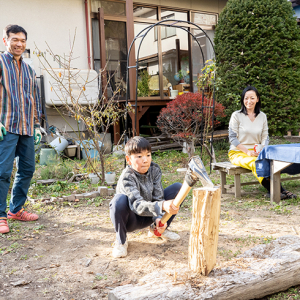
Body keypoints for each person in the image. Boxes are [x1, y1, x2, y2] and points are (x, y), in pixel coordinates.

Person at [109, 136, 182, 258]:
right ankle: (121, 241)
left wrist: (159, 218)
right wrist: (162, 206)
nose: (145, 160)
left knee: (178, 189)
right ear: (128, 159)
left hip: (149, 216)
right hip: (131, 220)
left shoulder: (154, 169)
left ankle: (157, 230)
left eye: (148, 155)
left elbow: (158, 197)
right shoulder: (127, 177)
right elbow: (137, 205)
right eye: (139, 156)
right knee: (118, 200)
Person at [0, 25, 42, 234]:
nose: (19, 44)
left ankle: (16, 210)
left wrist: (36, 126)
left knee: (27, 170)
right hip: (5, 127)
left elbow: (33, 99)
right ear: (5, 40)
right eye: (15, 39)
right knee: (2, 172)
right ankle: (0, 216)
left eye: (23, 40)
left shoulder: (29, 70)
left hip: (26, 128)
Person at [228, 85, 296, 199]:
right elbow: (232, 138)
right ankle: (277, 191)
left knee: (271, 162)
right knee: (257, 163)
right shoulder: (236, 115)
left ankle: (275, 191)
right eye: (246, 98)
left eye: (252, 98)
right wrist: (247, 152)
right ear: (243, 99)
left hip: (257, 152)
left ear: (257, 99)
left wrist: (263, 148)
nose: (249, 101)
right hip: (238, 152)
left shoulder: (262, 116)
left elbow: (265, 137)